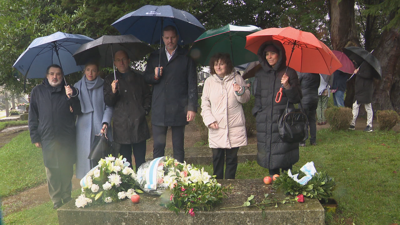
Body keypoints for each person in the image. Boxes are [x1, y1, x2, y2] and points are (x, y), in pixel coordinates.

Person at [28, 64, 81, 209]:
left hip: (66, 137)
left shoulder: (70, 90)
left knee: (66, 168)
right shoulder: (37, 91)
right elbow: (32, 116)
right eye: (52, 73)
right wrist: (35, 137)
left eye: (58, 74)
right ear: (47, 75)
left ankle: (66, 195)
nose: (55, 77)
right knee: (52, 170)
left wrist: (71, 97)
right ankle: (56, 199)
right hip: (48, 137)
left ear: (62, 75)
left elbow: (78, 111)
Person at [144, 25, 198, 163]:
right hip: (159, 106)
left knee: (178, 148)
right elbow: (146, 78)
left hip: (179, 107)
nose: (170, 40)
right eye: (167, 38)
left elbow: (192, 83)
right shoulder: (155, 56)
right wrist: (155, 76)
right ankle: (157, 177)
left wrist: (192, 107)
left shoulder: (186, 56)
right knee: (158, 147)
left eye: (173, 37)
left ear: (177, 37)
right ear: (162, 38)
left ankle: (179, 178)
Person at [251, 40, 302, 177]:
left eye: (272, 53)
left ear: (279, 54)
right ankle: (273, 189)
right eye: (267, 54)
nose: (269, 57)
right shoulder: (260, 74)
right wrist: (258, 113)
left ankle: (287, 186)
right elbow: (257, 96)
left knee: (285, 159)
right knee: (270, 160)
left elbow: (296, 98)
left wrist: (287, 86)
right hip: (266, 122)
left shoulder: (289, 73)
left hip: (283, 122)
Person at [201, 53, 250, 179]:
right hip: (217, 126)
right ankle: (217, 186)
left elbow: (245, 99)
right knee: (217, 159)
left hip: (234, 126)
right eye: (216, 64)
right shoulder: (209, 82)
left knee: (232, 159)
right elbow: (205, 104)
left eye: (221, 63)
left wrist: (240, 91)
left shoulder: (237, 78)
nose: (218, 67)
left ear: (227, 65)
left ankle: (230, 184)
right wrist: (209, 120)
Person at [103, 50, 151, 171]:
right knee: (125, 162)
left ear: (129, 60)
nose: (121, 62)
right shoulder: (110, 80)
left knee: (140, 160)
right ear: (114, 63)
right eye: (118, 60)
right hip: (121, 126)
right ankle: (129, 189)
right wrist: (113, 91)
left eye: (124, 59)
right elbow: (108, 101)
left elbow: (147, 96)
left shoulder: (139, 77)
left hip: (138, 123)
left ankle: (141, 185)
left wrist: (144, 110)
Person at [74, 61, 113, 179]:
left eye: (94, 70)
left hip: (100, 126)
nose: (90, 73)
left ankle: (104, 184)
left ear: (98, 72)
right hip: (82, 129)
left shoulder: (104, 85)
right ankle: (87, 185)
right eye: (88, 70)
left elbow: (109, 106)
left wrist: (105, 122)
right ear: (84, 71)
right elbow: (74, 108)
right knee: (84, 157)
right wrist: (70, 97)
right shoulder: (76, 86)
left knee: (100, 156)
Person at [349, 63, 375, 132]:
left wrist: (358, 73)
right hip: (359, 91)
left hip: (366, 91)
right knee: (355, 106)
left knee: (368, 107)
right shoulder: (360, 65)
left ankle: (369, 125)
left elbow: (368, 75)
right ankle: (352, 124)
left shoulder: (369, 67)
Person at [298, 73, 320, 147]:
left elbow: (297, 84)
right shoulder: (317, 75)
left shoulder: (302, 74)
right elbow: (318, 86)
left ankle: (303, 141)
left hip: (304, 99)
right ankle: (313, 140)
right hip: (314, 99)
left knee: (304, 120)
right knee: (312, 120)